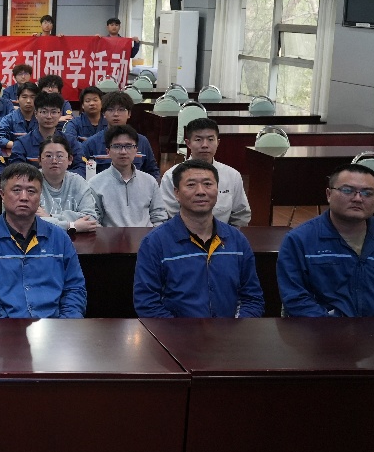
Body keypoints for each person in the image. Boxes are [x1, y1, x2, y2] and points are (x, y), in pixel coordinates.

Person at [277, 163, 374, 317]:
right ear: (329, 194)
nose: (358, 198)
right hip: (320, 329)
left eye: (367, 193)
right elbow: (296, 298)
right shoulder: (299, 241)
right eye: (347, 191)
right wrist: (330, 328)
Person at [134, 159, 264, 318]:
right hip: (175, 332)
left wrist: (236, 328)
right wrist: (181, 332)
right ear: (176, 193)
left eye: (208, 184)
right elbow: (147, 304)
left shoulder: (237, 240)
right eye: (191, 185)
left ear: (217, 189)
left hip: (230, 331)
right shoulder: (155, 243)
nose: (201, 191)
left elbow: (253, 298)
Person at [0, 162, 87, 318]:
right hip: (1, 329)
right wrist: (5, 330)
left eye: (31, 191)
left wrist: (64, 325)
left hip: (55, 327)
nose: (24, 197)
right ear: (2, 194)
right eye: (16, 190)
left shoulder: (60, 239)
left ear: (40, 196)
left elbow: (74, 290)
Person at [159, 117, 252, 226]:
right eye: (198, 140)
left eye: (210, 139)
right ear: (188, 143)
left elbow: (240, 215)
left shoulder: (232, 175)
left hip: (223, 234)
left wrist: (228, 234)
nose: (205, 145)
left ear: (218, 142)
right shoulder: (171, 176)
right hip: (181, 234)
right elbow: (168, 215)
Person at [89, 125, 168, 227]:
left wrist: (153, 236)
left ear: (136, 150)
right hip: (110, 236)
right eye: (117, 146)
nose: (123, 152)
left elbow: (159, 216)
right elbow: (93, 220)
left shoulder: (150, 181)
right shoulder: (95, 184)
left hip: (147, 235)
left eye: (129, 146)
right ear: (108, 152)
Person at [75, 91, 159, 179]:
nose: (116, 114)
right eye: (110, 110)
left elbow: (152, 171)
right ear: (103, 114)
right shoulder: (91, 144)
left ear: (129, 114)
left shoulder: (142, 141)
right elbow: (81, 172)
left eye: (121, 110)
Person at [34, 135, 99, 232]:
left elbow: (91, 219)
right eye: (48, 156)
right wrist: (72, 226)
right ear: (39, 160)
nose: (54, 161)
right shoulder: (31, 182)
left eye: (60, 156)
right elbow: (33, 222)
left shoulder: (78, 181)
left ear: (70, 160)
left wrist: (50, 217)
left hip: (78, 239)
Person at [8, 91, 71, 165]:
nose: (49, 116)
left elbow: (80, 166)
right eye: (44, 112)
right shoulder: (22, 143)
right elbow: (16, 168)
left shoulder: (70, 141)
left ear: (60, 114)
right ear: (36, 114)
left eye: (54, 112)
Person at [0, 81, 41, 147]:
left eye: (32, 97)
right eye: (24, 97)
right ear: (17, 99)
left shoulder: (43, 118)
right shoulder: (9, 119)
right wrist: (19, 146)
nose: (28, 101)